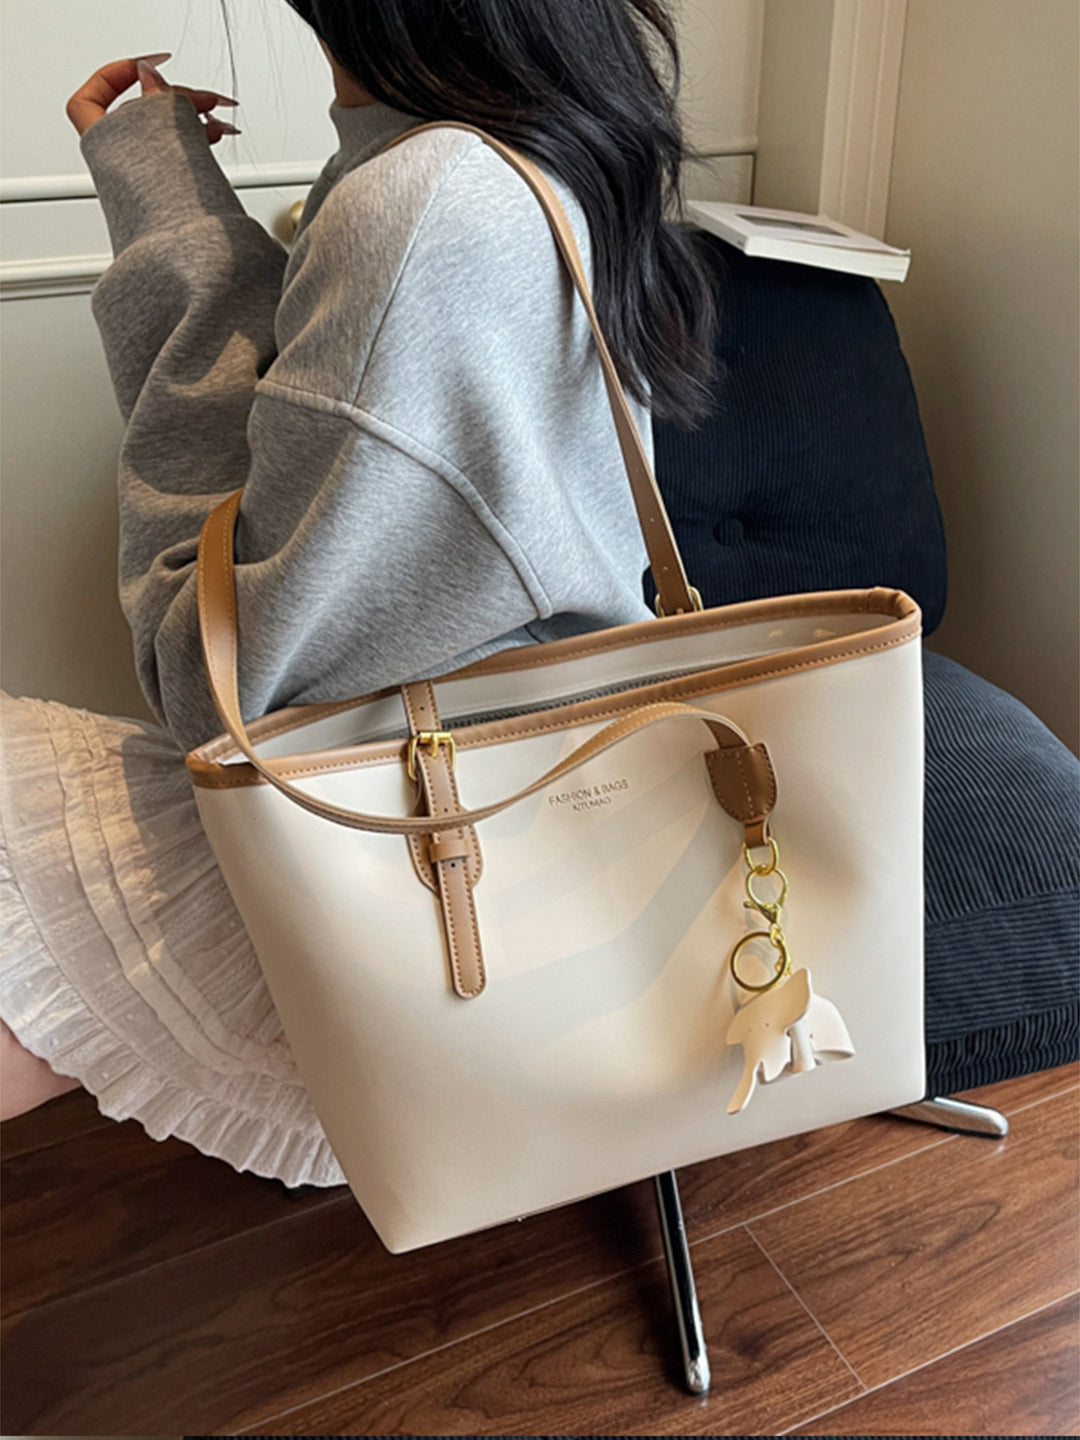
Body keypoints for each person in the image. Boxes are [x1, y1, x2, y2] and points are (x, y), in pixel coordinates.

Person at [0, 0, 716, 1186]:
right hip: (544, 823)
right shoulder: (545, 147)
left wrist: (171, 220)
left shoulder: (425, 201)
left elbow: (212, 681)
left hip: (427, 892)